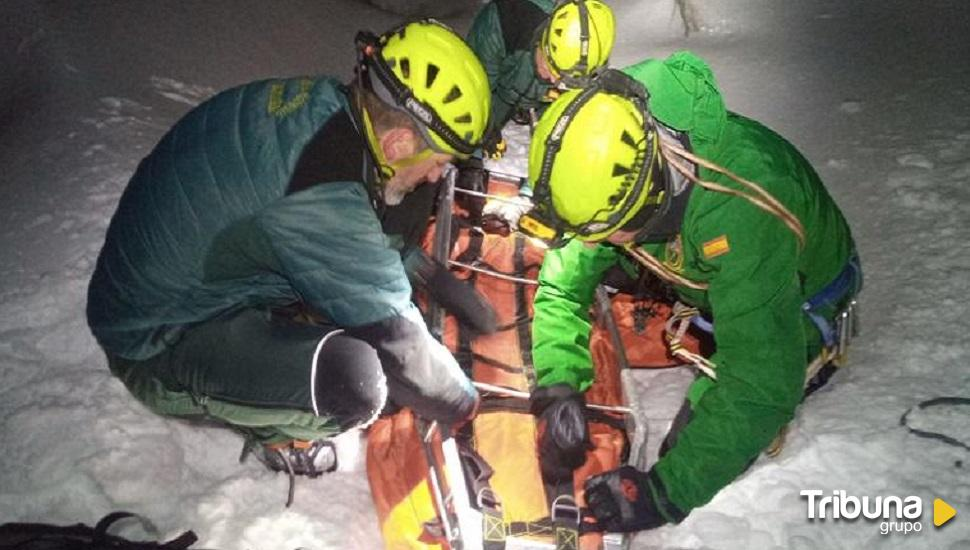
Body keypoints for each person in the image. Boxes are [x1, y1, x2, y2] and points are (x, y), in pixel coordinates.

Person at [86, 20, 493, 479]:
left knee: (357, 297)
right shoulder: (318, 194)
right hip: (153, 339)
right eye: (438, 162)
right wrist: (464, 404)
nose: (439, 176)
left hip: (170, 277)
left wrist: (426, 276)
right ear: (398, 142)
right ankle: (277, 436)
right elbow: (400, 345)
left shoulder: (327, 108)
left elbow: (355, 240)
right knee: (354, 381)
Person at [520, 57, 861, 531]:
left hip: (803, 297)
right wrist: (558, 383)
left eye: (604, 233)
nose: (590, 246)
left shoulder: (742, 208)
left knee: (692, 450)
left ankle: (807, 349)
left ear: (647, 203)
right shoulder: (614, 144)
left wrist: (664, 494)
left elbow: (759, 386)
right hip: (700, 255)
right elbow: (562, 281)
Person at [461, 0, 615, 228]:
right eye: (552, 69)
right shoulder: (504, 24)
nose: (554, 81)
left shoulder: (582, 69)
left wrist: (530, 194)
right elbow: (471, 94)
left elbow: (559, 139)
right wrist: (473, 155)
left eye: (563, 79)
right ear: (544, 41)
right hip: (496, 87)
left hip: (529, 100)